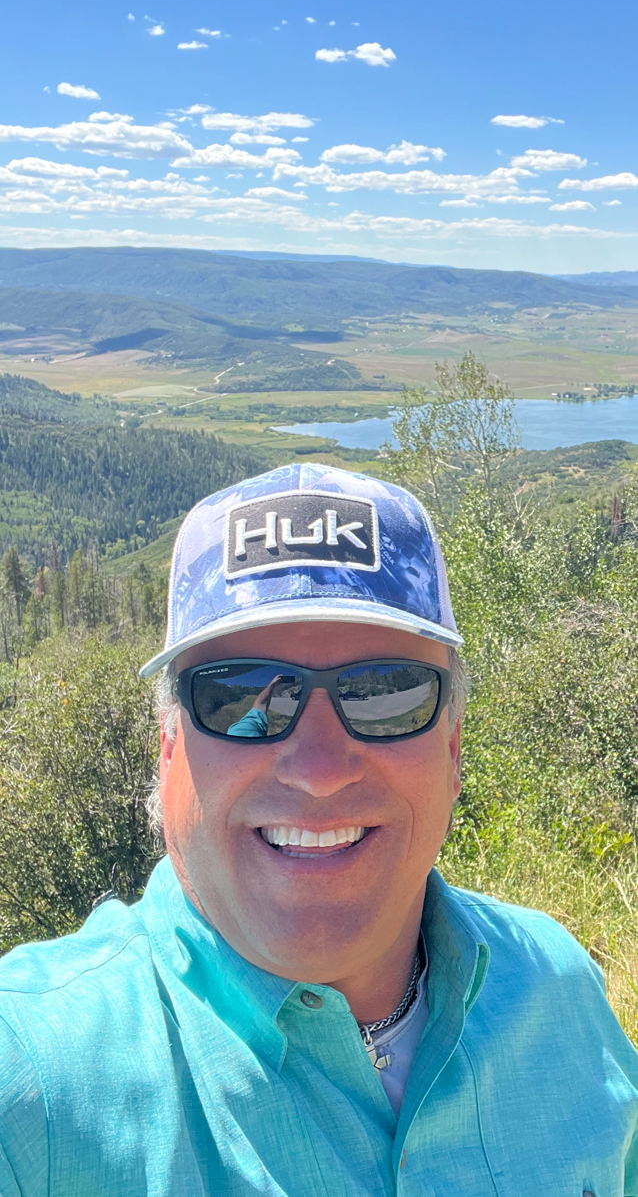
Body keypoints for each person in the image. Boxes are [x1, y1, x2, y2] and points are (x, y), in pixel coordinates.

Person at [0, 462, 636, 1197]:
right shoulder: (32, 1091)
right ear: (170, 748)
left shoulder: (558, 991)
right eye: (244, 696)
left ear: (454, 746)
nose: (320, 769)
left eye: (386, 692)